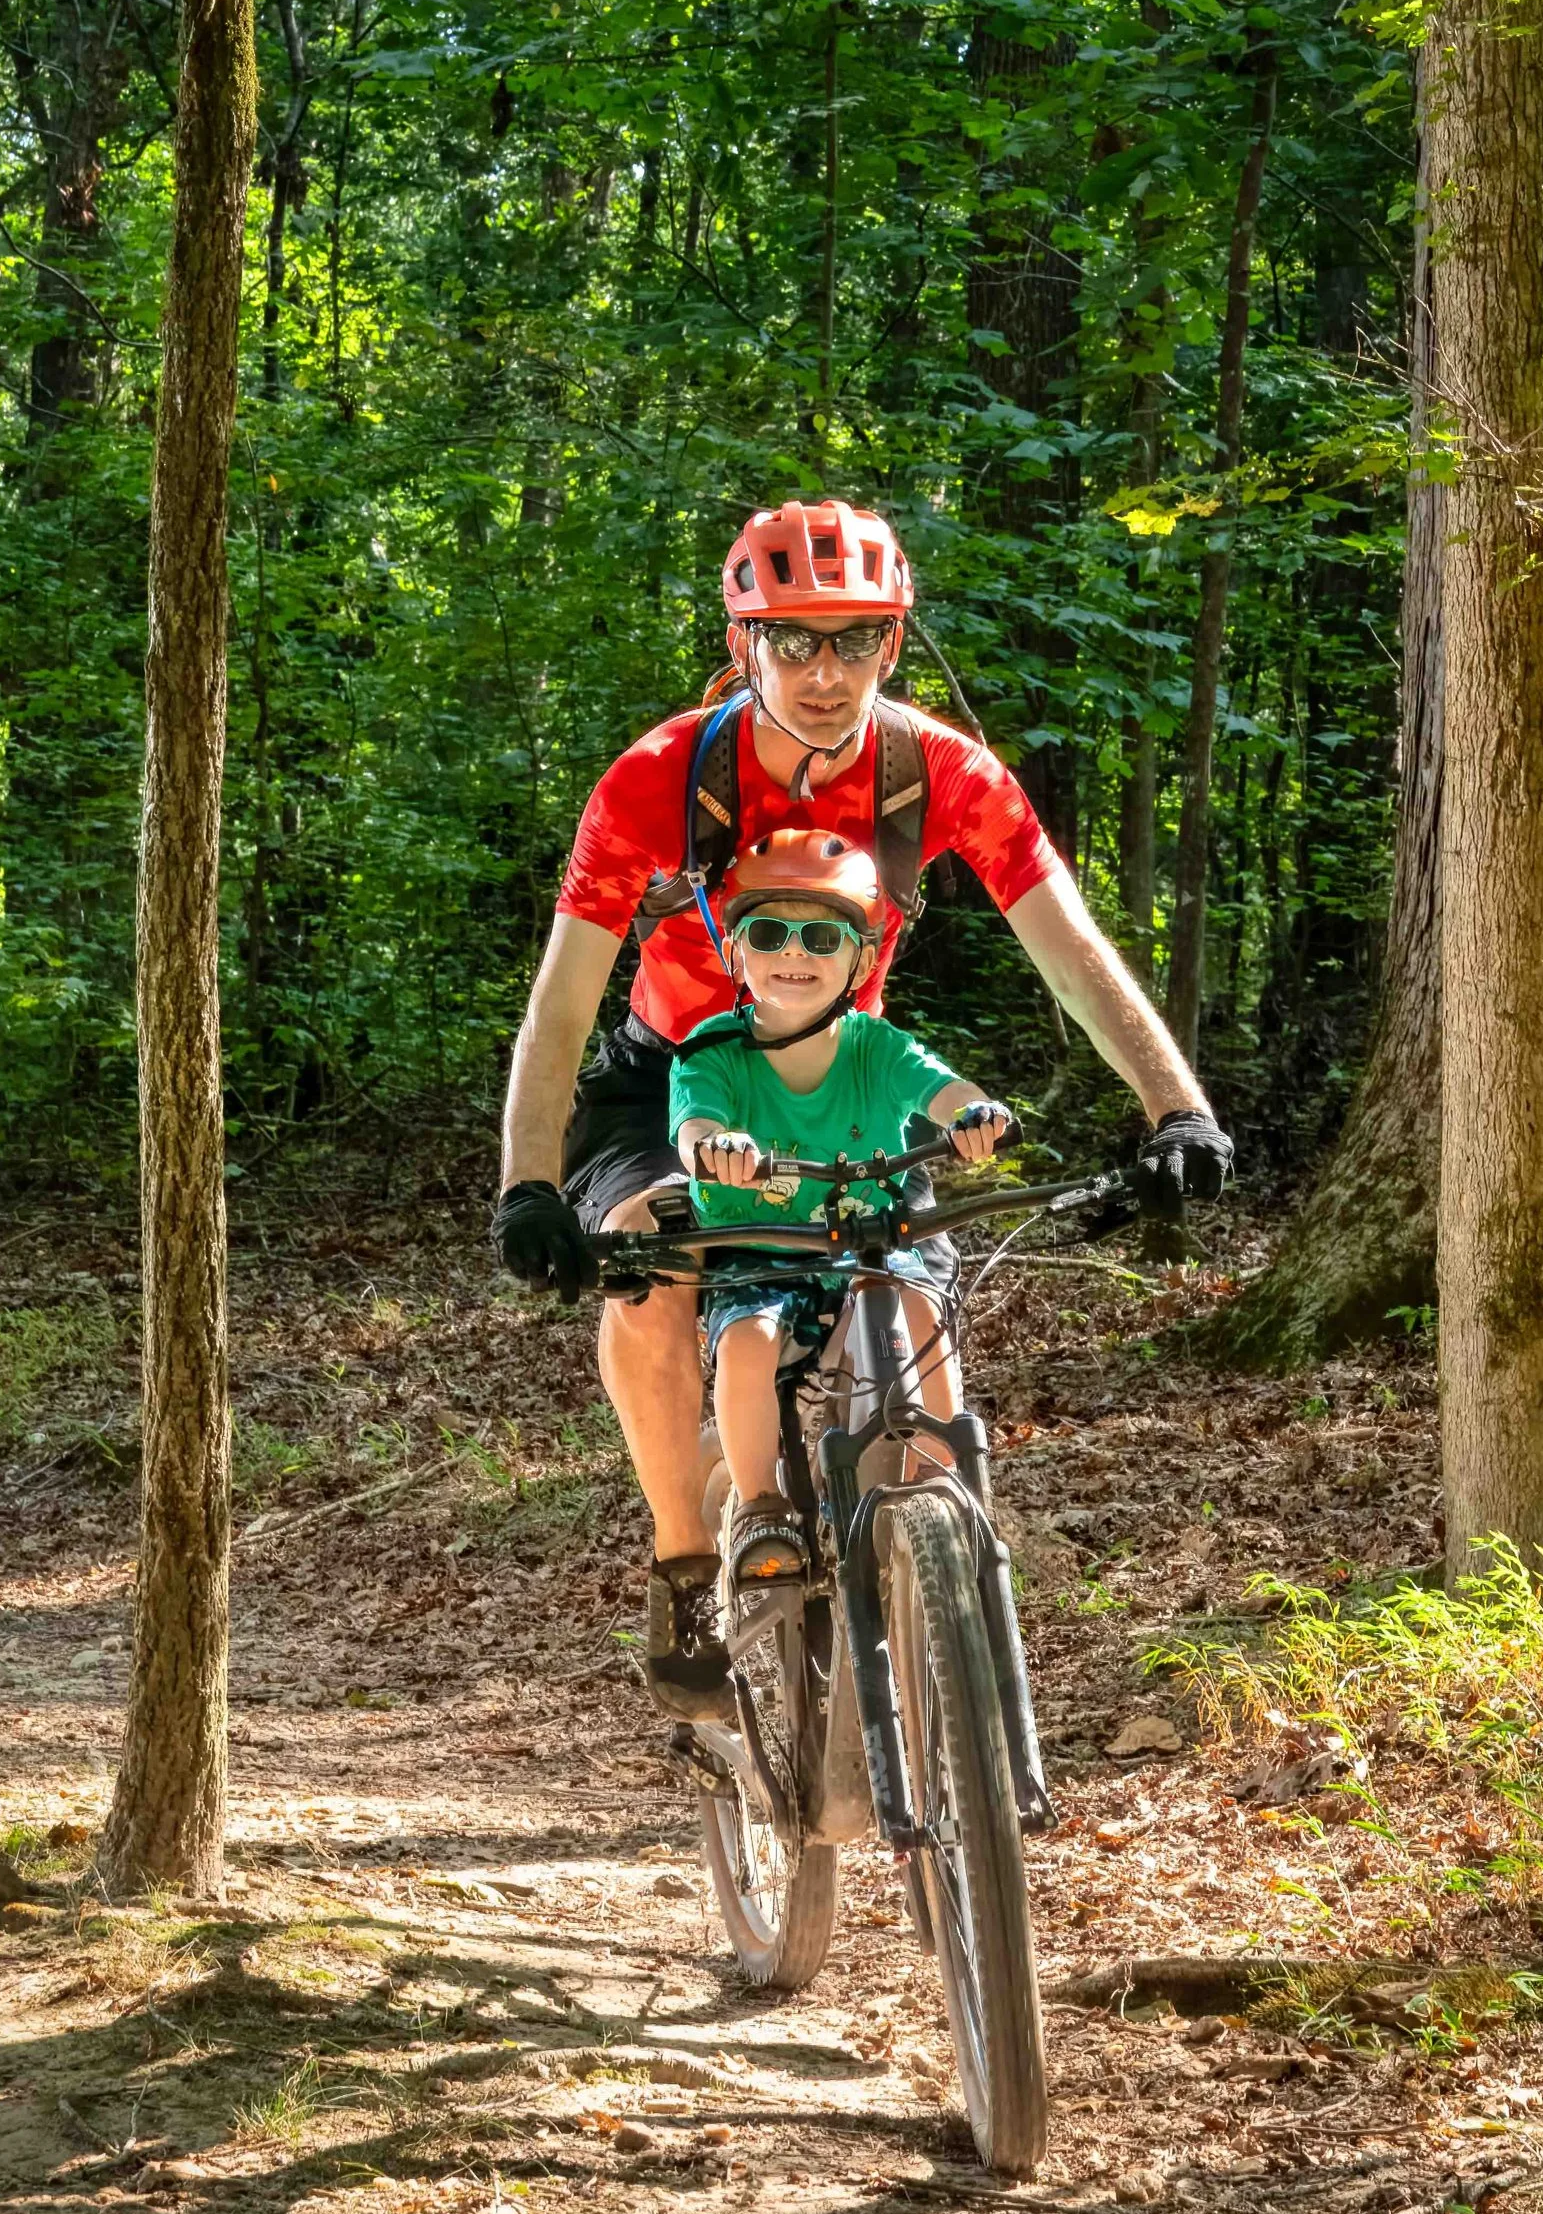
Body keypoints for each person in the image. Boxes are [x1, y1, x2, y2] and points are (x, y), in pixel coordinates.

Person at [492, 494, 1232, 1715]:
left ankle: (932, 1556)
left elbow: (1069, 948)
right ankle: (686, 1560)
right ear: (744, 646)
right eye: (792, 639)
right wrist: (527, 1185)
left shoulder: (940, 773)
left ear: (892, 643)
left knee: (906, 1287)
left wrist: (1174, 1107)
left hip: (846, 1079)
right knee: (650, 1264)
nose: (823, 672)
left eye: (852, 640)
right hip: (675, 1072)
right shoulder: (657, 780)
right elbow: (562, 1003)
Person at [670, 827, 1008, 1627]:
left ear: (859, 959)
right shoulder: (711, 1052)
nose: (797, 953)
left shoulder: (875, 1048)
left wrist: (974, 1115)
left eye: (822, 936)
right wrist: (715, 1148)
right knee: (747, 1340)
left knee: (922, 1306)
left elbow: (943, 1088)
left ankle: (947, 1473)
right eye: (770, 933)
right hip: (764, 1251)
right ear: (736, 953)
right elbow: (693, 1126)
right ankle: (759, 1507)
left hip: (870, 1244)